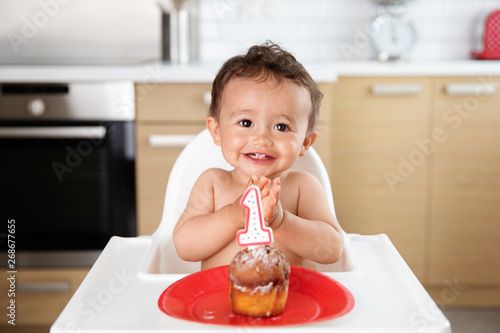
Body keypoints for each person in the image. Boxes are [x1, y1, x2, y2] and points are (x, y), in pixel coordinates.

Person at [173, 41, 344, 270]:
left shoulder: (303, 188)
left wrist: (281, 222)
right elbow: (184, 247)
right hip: (221, 301)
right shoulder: (213, 183)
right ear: (216, 131)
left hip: (289, 301)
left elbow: (332, 249)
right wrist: (233, 217)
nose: (261, 139)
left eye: (282, 127)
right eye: (246, 122)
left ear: (305, 142)